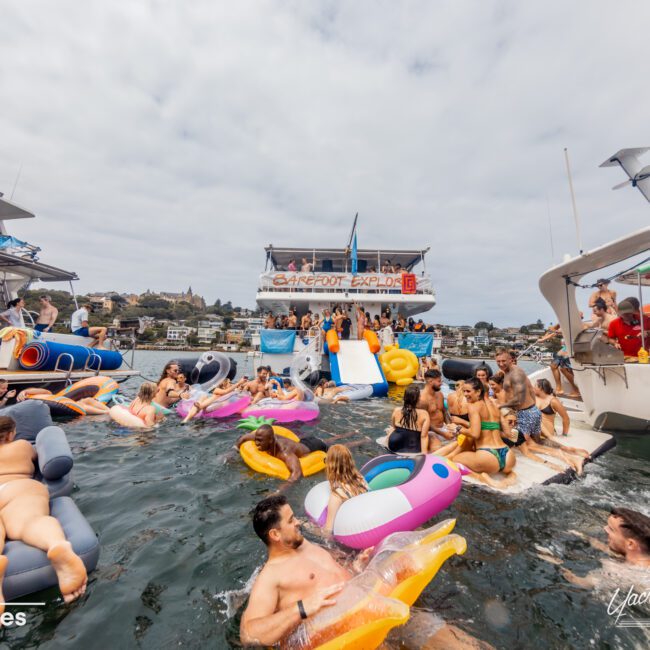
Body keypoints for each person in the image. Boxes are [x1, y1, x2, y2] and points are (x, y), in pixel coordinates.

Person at [240, 495, 483, 648]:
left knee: (457, 643)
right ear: (275, 535)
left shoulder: (304, 544)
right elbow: (250, 634)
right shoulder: (270, 577)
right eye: (291, 521)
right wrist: (303, 608)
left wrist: (357, 566)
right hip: (353, 636)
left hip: (378, 601)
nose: (298, 523)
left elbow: (331, 574)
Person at [0, 416, 87, 607]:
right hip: (18, 486)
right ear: (10, 434)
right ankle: (56, 545)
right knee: (29, 521)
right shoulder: (21, 445)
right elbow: (37, 456)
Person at [438, 378, 516, 489]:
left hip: (487, 456)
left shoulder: (473, 406)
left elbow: (475, 434)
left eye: (468, 391)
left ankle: (482, 478)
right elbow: (508, 432)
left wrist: (457, 428)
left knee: (453, 462)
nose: (465, 394)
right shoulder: (494, 405)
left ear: (478, 392)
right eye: (464, 391)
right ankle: (511, 476)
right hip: (508, 456)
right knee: (508, 470)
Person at [235, 425, 328, 484]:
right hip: (302, 442)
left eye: (259, 441)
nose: (256, 443)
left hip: (313, 446)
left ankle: (341, 437)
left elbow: (297, 474)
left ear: (270, 440)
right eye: (256, 439)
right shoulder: (262, 437)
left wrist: (280, 491)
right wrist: (233, 452)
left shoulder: (284, 452)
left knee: (329, 445)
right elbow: (243, 438)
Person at [534, 379, 589, 474]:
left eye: (535, 386)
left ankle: (575, 457)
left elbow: (566, 418)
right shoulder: (534, 398)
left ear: (540, 388)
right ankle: (574, 452)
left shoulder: (553, 401)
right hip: (538, 434)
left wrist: (564, 435)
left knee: (553, 449)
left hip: (547, 435)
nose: (533, 387)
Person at [322, 445, 368, 534]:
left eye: (326, 460)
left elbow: (328, 531)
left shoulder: (337, 494)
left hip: (352, 534)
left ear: (331, 465)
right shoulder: (361, 480)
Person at [387, 385, 432, 454]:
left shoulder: (396, 410)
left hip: (394, 445)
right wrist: (424, 454)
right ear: (418, 399)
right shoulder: (424, 414)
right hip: (413, 447)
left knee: (390, 429)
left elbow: (393, 427)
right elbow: (424, 436)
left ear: (405, 397)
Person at [539, 325, 580, 397]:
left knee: (564, 369)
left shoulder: (572, 324)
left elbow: (553, 330)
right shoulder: (564, 324)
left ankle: (576, 390)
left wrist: (545, 337)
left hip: (570, 350)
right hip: (564, 349)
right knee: (553, 366)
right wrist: (544, 339)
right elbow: (553, 331)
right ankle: (559, 388)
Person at [418, 369, 454, 442]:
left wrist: (450, 427)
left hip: (443, 429)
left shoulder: (439, 394)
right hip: (430, 432)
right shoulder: (421, 399)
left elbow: (444, 412)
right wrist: (443, 434)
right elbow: (422, 422)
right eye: (439, 381)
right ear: (430, 381)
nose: (441, 383)